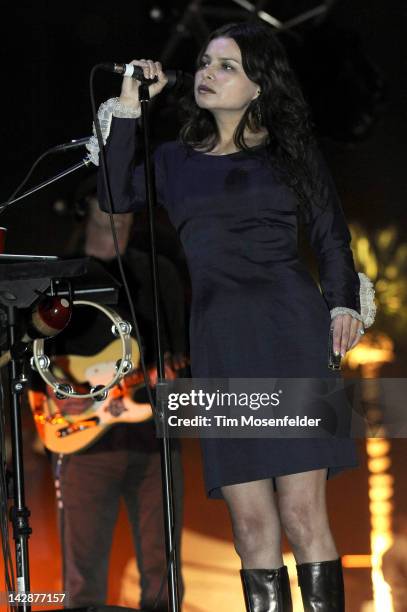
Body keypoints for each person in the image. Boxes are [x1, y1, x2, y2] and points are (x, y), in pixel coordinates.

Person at [90, 21, 376, 611]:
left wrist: (343, 301)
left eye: (226, 66)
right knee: (249, 524)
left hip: (291, 334)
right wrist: (127, 108)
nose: (206, 74)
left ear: (257, 87)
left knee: (302, 510)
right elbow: (116, 196)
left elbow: (330, 238)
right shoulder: (173, 161)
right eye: (204, 63)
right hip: (219, 340)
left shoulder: (290, 154)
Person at [28, 189, 186, 611]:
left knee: (163, 577)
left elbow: (181, 352)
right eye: (107, 199)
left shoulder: (159, 272)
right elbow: (29, 353)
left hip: (156, 441)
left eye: (127, 201)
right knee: (83, 579)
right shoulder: (59, 277)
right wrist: (55, 393)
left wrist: (172, 371)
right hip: (84, 444)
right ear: (85, 206)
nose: (119, 212)